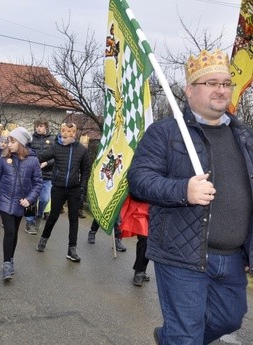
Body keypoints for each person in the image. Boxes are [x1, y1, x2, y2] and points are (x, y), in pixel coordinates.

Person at [128, 49, 253, 345]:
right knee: (187, 334)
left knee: (230, 318)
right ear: (189, 90)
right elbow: (139, 181)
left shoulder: (245, 135)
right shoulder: (165, 133)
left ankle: (171, 338)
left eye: (226, 83)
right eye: (211, 83)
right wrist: (184, 190)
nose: (221, 89)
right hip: (182, 254)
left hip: (233, 257)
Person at [0, 126, 43, 281]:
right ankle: (6, 264)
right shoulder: (3, 159)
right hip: (4, 201)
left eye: (12, 141)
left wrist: (29, 199)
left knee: (14, 231)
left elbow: (38, 183)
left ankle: (11, 259)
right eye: (7, 141)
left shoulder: (32, 161)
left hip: (20, 203)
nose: (8, 144)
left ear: (21, 143)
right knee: (10, 231)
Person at [36, 123, 91, 262]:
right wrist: (26, 157)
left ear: (73, 135)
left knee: (74, 219)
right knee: (53, 216)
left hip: (74, 189)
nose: (63, 139)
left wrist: (82, 188)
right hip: (58, 187)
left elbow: (85, 171)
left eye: (66, 137)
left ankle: (72, 249)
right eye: (62, 136)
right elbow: (40, 157)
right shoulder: (56, 148)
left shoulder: (81, 150)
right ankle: (43, 239)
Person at [24, 116, 54, 235]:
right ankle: (29, 222)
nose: (38, 128)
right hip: (32, 174)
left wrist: (46, 163)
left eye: (41, 126)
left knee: (44, 199)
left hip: (47, 175)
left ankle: (39, 215)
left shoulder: (52, 140)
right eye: (37, 126)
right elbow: (26, 153)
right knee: (31, 199)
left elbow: (56, 157)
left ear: (46, 127)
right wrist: (34, 162)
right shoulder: (30, 139)